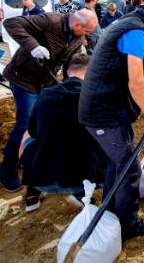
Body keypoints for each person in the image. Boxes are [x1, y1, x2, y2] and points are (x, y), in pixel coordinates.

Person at [79, 0, 144, 241]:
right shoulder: (137, 32)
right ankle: (128, 225)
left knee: (117, 163)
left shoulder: (129, 22)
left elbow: (123, 75)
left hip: (106, 107)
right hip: (102, 112)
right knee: (130, 169)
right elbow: (135, 81)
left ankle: (112, 212)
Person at [0, 10, 98, 191]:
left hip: (46, 81)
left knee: (47, 120)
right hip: (24, 78)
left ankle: (40, 160)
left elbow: (71, 66)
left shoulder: (76, 37)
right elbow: (11, 23)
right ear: (77, 25)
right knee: (24, 125)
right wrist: (33, 46)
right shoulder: (50, 21)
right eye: (86, 31)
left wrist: (73, 88)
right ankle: (7, 171)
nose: (87, 35)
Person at [19, 54, 105, 212]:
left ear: (67, 72)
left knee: (26, 135)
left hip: (44, 179)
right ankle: (80, 193)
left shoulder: (45, 95)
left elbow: (34, 131)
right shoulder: (96, 98)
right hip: (88, 178)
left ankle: (32, 190)